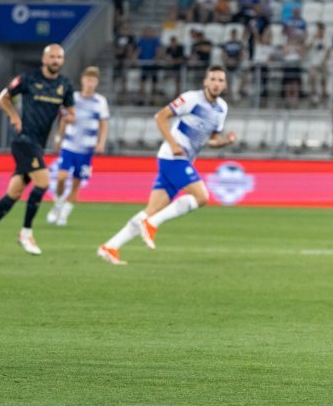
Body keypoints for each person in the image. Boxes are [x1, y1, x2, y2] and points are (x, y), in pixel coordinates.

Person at [97, 66, 236, 265]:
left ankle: (110, 246)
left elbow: (212, 140)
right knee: (202, 197)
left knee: (150, 210)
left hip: (184, 159)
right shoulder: (191, 99)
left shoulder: (221, 108)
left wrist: (225, 141)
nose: (216, 83)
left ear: (225, 85)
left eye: (220, 80)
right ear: (205, 81)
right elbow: (160, 116)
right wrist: (173, 144)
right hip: (172, 157)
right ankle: (152, 224)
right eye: (212, 79)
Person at [0, 44, 75, 256]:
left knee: (14, 193)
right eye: (52, 56)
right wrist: (13, 115)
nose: (55, 60)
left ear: (62, 61)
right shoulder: (28, 79)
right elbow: (3, 98)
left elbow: (72, 114)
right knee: (43, 182)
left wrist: (66, 117)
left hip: (39, 143)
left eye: (59, 57)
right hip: (23, 140)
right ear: (44, 59)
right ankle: (26, 233)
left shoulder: (65, 85)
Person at [45, 67, 109, 226]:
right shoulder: (72, 98)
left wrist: (101, 143)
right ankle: (57, 205)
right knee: (61, 178)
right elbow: (64, 119)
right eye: (88, 79)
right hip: (69, 145)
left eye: (93, 80)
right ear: (82, 80)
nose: (90, 83)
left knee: (76, 183)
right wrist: (58, 138)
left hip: (86, 149)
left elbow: (103, 124)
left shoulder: (100, 101)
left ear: (97, 83)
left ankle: (64, 215)